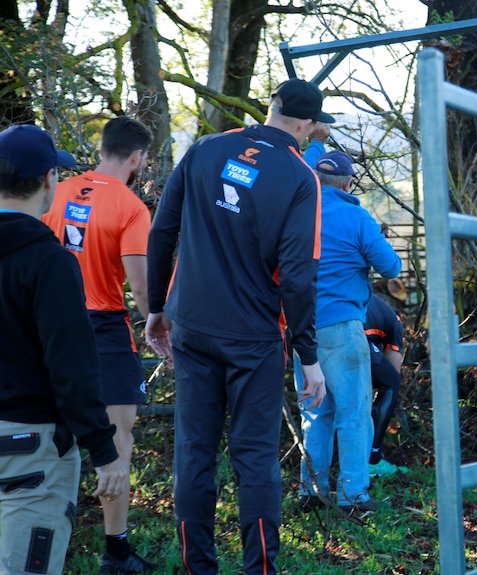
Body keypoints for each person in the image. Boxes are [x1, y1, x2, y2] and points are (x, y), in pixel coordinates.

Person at [145, 78, 329, 574]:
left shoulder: (207, 148)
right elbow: (298, 274)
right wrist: (307, 355)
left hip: (191, 325)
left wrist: (156, 306)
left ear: (272, 108)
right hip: (252, 337)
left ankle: (198, 567)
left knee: (194, 451)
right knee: (254, 459)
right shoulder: (299, 176)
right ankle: (260, 569)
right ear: (308, 125)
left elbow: (163, 229)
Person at [0, 124, 125, 575]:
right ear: (50, 179)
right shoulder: (49, 262)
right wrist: (102, 447)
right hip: (31, 449)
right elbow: (71, 366)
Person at [41, 116, 159, 574]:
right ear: (136, 157)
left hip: (49, 322)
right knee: (116, 442)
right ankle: (116, 553)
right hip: (105, 328)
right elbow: (142, 289)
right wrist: (157, 320)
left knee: (51, 437)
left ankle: (47, 541)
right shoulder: (131, 206)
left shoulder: (56, 189)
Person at [295, 150, 402, 513]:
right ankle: (353, 496)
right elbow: (390, 267)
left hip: (300, 329)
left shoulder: (298, 214)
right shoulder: (357, 217)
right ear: (348, 183)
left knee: (316, 413)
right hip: (341, 327)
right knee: (354, 413)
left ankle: (311, 490)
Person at [365, 294, 409, 477]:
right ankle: (373, 458)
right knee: (391, 383)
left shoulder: (377, 306)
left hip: (308, 327)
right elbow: (393, 370)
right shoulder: (395, 322)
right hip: (351, 332)